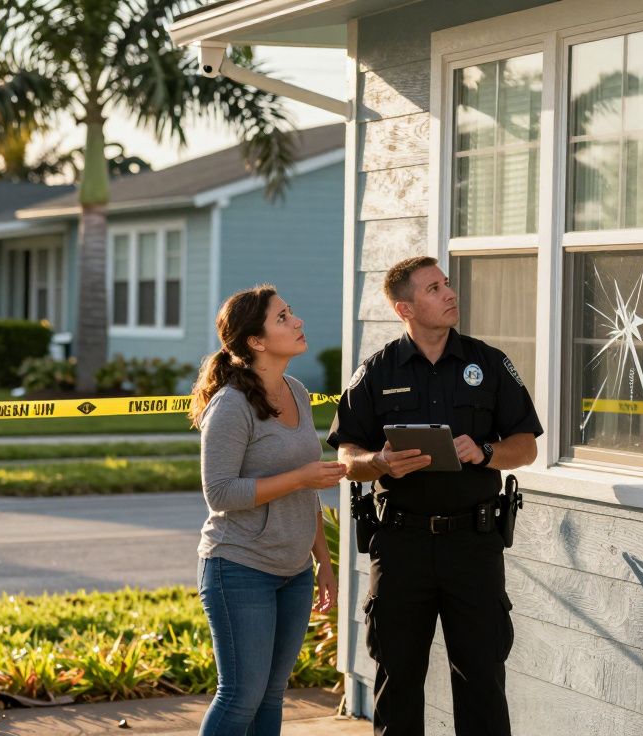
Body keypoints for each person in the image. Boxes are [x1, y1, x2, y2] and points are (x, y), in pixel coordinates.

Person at [328, 256, 543, 736]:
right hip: (400, 544)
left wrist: (486, 451)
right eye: (433, 288)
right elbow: (346, 456)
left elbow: (526, 446)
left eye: (446, 284)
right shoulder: (377, 372)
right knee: (398, 679)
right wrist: (379, 463)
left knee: (482, 679)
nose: (449, 294)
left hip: (473, 543)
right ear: (405, 307)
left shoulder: (488, 363)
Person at [190, 284, 346, 736]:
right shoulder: (231, 404)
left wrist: (323, 562)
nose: (297, 321)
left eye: (291, 313)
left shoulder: (296, 390)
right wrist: (301, 478)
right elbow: (219, 493)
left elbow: (308, 486)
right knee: (240, 698)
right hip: (238, 566)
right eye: (282, 318)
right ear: (256, 342)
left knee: (272, 697)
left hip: (293, 571)